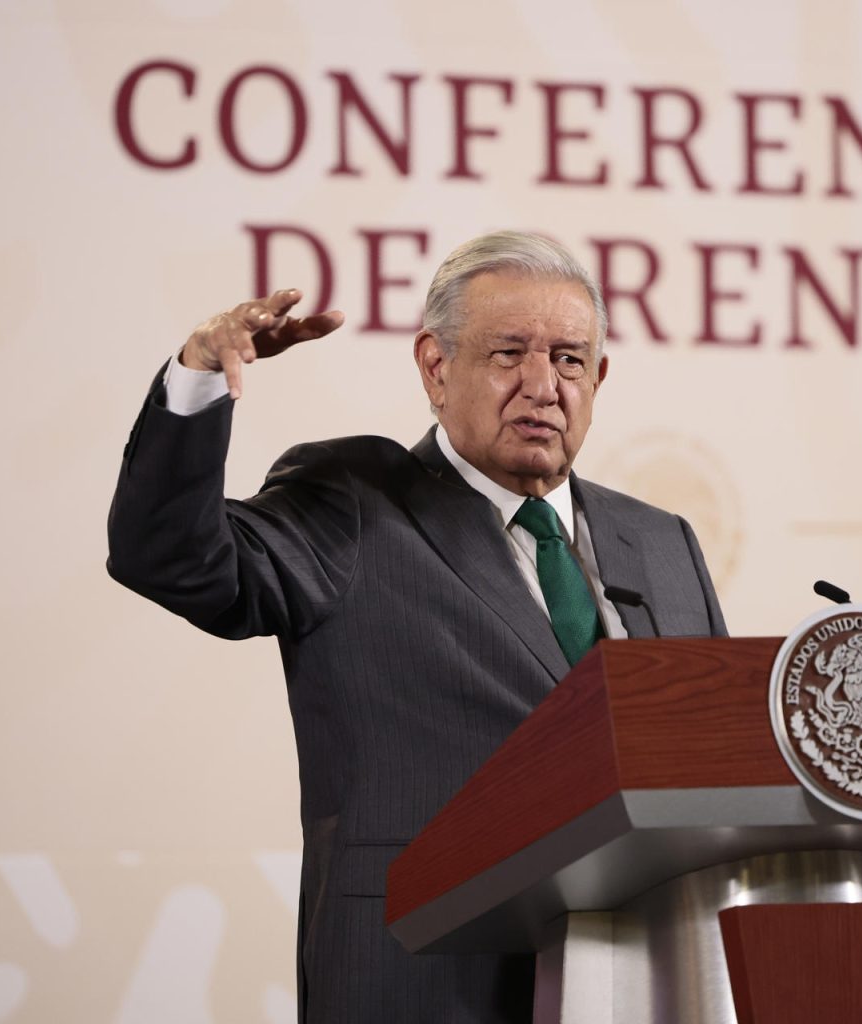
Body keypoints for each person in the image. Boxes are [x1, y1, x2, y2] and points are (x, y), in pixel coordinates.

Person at [107, 231, 727, 1022]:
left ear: (598, 378)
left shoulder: (664, 542)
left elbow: (711, 765)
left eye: (570, 359)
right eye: (510, 353)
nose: (543, 385)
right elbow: (170, 558)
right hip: (429, 981)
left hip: (647, 978)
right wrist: (196, 381)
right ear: (436, 367)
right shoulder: (356, 501)